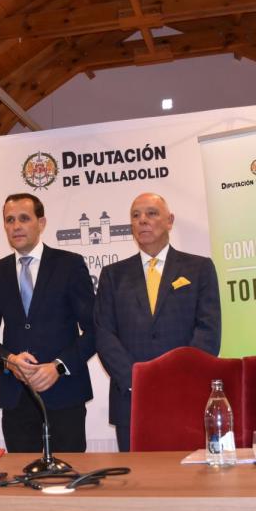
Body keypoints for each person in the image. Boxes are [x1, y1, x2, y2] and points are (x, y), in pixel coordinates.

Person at [95, 192, 221, 451]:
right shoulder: (112, 276)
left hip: (185, 395)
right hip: (131, 398)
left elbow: (208, 330)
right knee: (138, 485)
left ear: (169, 221)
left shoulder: (199, 268)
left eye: (151, 213)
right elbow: (104, 333)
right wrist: (136, 380)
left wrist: (178, 377)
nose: (142, 220)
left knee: (189, 482)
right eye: (136, 215)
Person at [0, 193, 96, 453]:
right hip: (16, 397)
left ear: (41, 223)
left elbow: (95, 330)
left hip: (65, 393)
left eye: (24, 218)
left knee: (69, 479)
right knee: (22, 483)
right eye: (9, 220)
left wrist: (58, 367)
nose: (16, 226)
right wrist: (9, 360)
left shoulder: (70, 265)